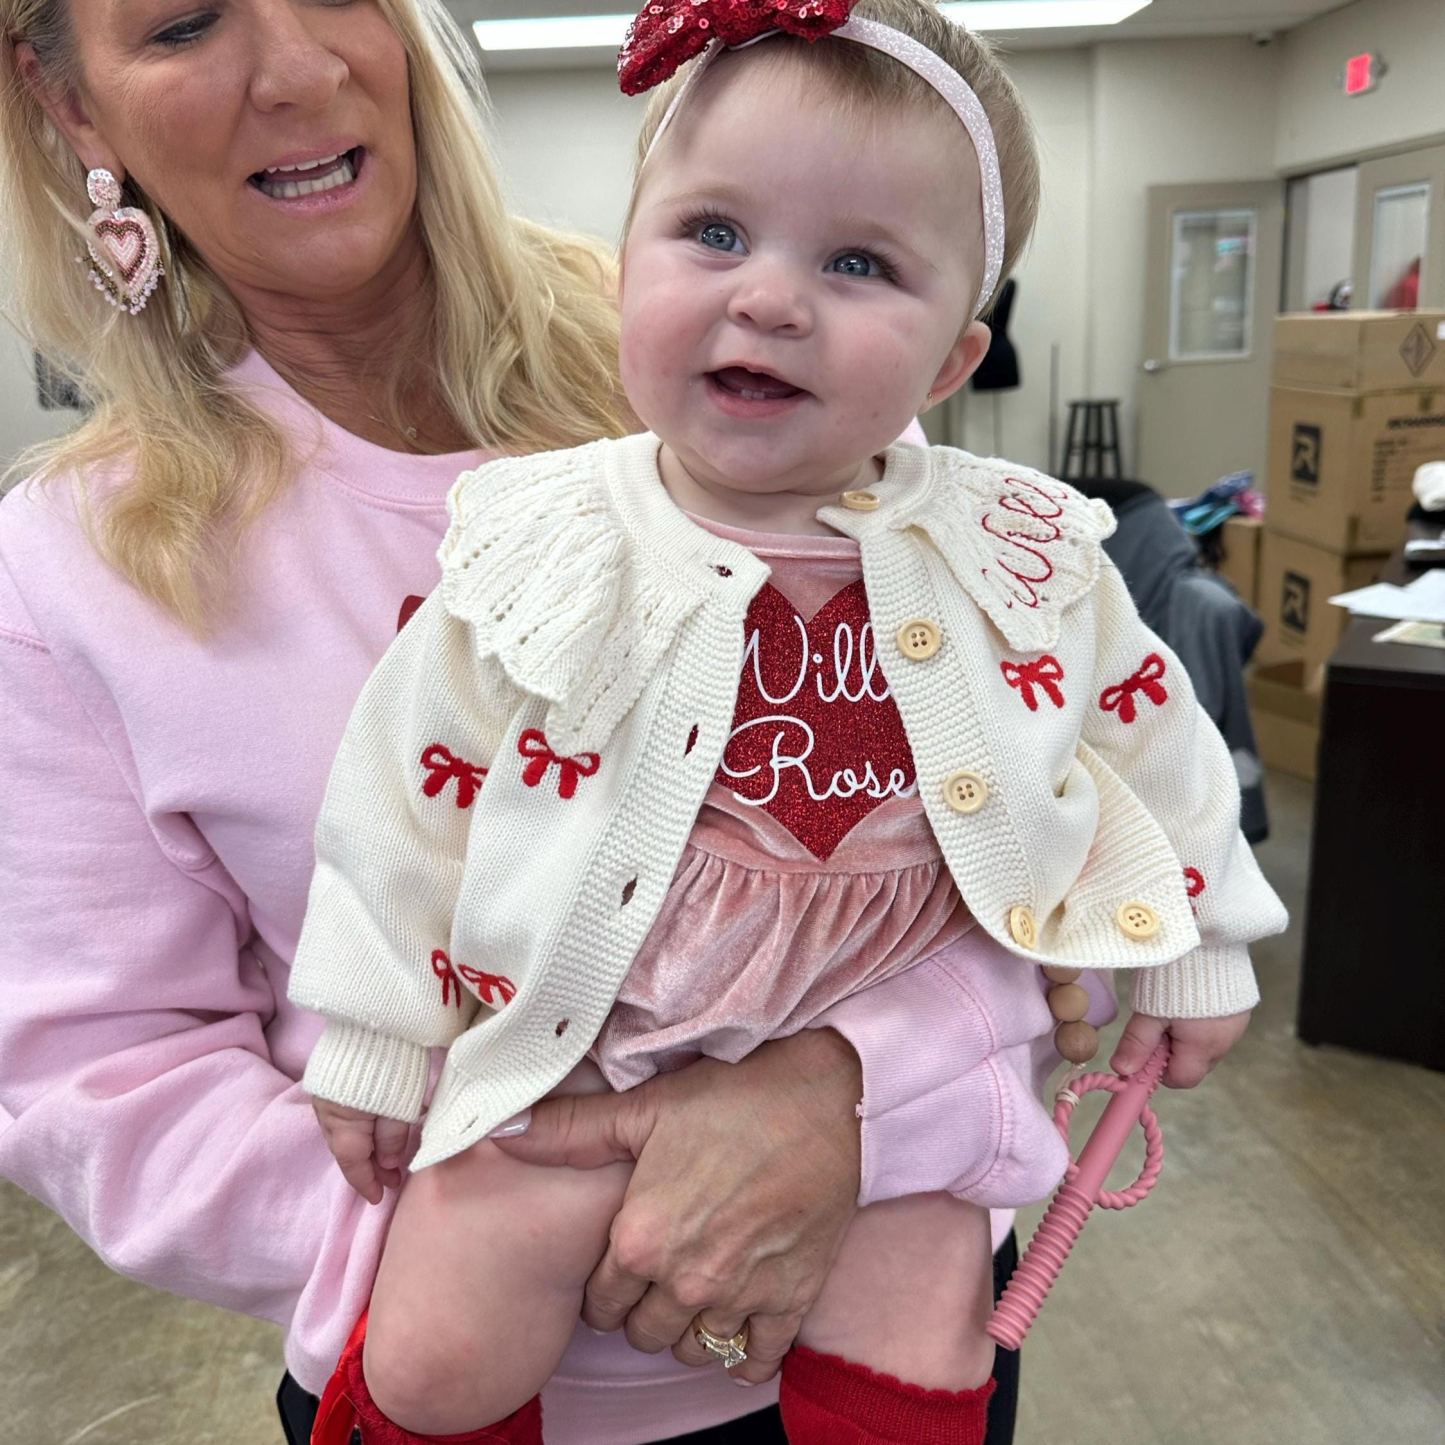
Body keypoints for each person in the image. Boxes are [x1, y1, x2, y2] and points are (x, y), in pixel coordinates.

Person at [0, 2, 1071, 1441]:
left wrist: (854, 1095)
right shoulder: (73, 568)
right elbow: (101, 1080)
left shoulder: (741, 353)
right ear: (69, 106)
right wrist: (524, 1238)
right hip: (462, 1385)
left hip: (885, 1331)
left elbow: (1026, 848)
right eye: (184, 22)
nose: (299, 71)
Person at [288, 2, 1289, 1442]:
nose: (768, 298)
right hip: (581, 1035)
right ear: (618, 259)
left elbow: (1151, 736)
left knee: (924, 1334)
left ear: (953, 358)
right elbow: (405, 796)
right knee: (440, 1340)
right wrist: (379, 1035)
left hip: (891, 1075)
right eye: (710, 233)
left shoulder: (1021, 549)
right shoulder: (553, 536)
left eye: (860, 264)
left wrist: (1198, 945)